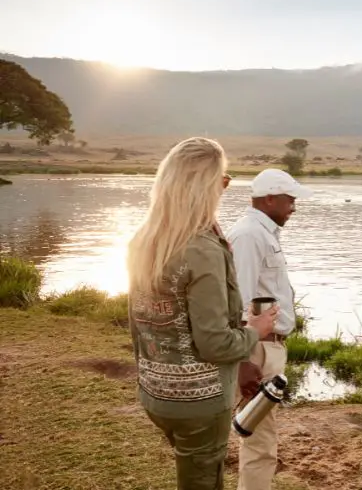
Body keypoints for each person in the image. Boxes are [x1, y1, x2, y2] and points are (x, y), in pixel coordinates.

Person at [127, 137, 279, 490]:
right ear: (206, 186)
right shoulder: (201, 250)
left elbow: (139, 325)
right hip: (200, 401)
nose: (224, 190)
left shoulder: (143, 240)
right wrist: (256, 329)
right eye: (223, 181)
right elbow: (215, 344)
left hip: (155, 394)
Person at [226, 167, 313, 490]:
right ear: (270, 199)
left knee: (256, 433)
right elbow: (239, 301)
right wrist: (243, 359)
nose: (294, 206)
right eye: (290, 200)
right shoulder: (250, 235)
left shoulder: (261, 233)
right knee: (260, 441)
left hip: (265, 347)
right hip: (257, 349)